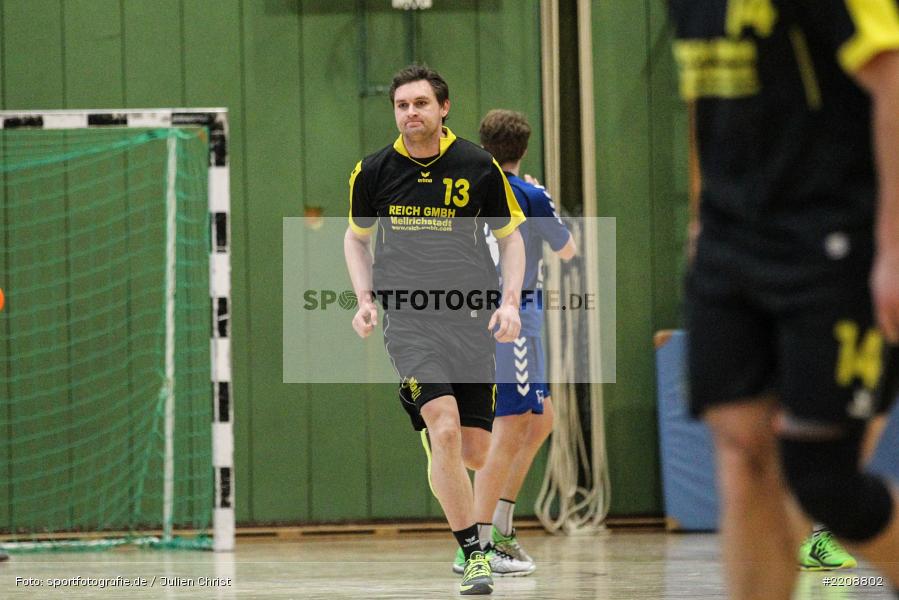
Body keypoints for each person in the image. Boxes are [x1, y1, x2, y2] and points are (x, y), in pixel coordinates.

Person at [668, 2, 899, 599]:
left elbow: (892, 78)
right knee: (741, 454)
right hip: (730, 240)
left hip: (836, 236)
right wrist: (702, 225)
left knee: (823, 481)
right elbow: (710, 105)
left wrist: (894, 249)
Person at [344, 65, 526, 596]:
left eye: (420, 103)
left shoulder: (478, 166)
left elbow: (513, 240)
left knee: (473, 452)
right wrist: (364, 300)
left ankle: (459, 500)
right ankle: (475, 554)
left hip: (471, 322)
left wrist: (510, 303)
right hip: (409, 322)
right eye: (401, 105)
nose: (410, 113)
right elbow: (356, 240)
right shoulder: (373, 171)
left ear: (443, 108)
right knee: (443, 429)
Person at [447, 109, 576, 577]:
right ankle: (477, 544)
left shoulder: (468, 186)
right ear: (523, 148)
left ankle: (498, 526)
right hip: (511, 315)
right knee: (510, 424)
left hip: (479, 314)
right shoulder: (527, 192)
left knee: (540, 419)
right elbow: (568, 249)